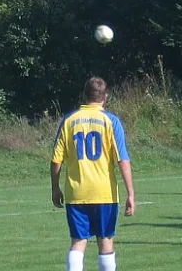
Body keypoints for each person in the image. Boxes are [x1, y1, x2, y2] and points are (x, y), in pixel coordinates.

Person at [51, 77, 135, 271]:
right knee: (105, 242)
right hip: (104, 193)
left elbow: (56, 160)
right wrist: (130, 193)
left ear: (84, 96)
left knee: (78, 242)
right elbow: (122, 160)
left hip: (76, 193)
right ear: (105, 97)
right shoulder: (111, 121)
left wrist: (55, 188)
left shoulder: (69, 120)